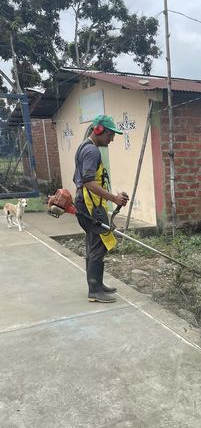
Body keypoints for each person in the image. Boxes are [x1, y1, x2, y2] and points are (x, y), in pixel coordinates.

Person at [73, 114, 129, 303]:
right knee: (99, 244)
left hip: (86, 202)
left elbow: (80, 179)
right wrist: (114, 198)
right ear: (98, 130)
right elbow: (88, 182)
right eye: (110, 134)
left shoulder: (84, 147)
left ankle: (96, 284)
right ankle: (95, 291)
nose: (112, 139)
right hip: (91, 205)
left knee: (93, 243)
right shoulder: (92, 151)